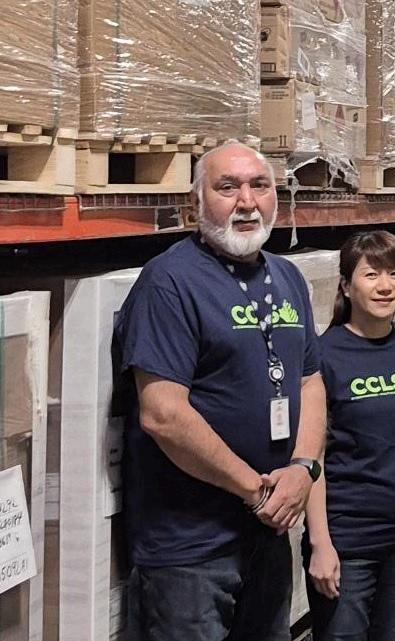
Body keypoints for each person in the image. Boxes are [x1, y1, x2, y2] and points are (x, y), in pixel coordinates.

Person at [116, 141, 326, 640]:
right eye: (227, 187)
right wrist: (256, 491)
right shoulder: (169, 282)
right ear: (195, 204)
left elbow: (310, 380)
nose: (247, 201)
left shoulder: (287, 277)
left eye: (260, 186)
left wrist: (303, 468)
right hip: (189, 550)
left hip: (267, 533)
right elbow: (163, 414)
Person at [303, 232, 395, 641]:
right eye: (371, 274)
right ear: (347, 286)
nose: (385, 286)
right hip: (348, 539)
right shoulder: (323, 355)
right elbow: (311, 457)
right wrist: (320, 543)